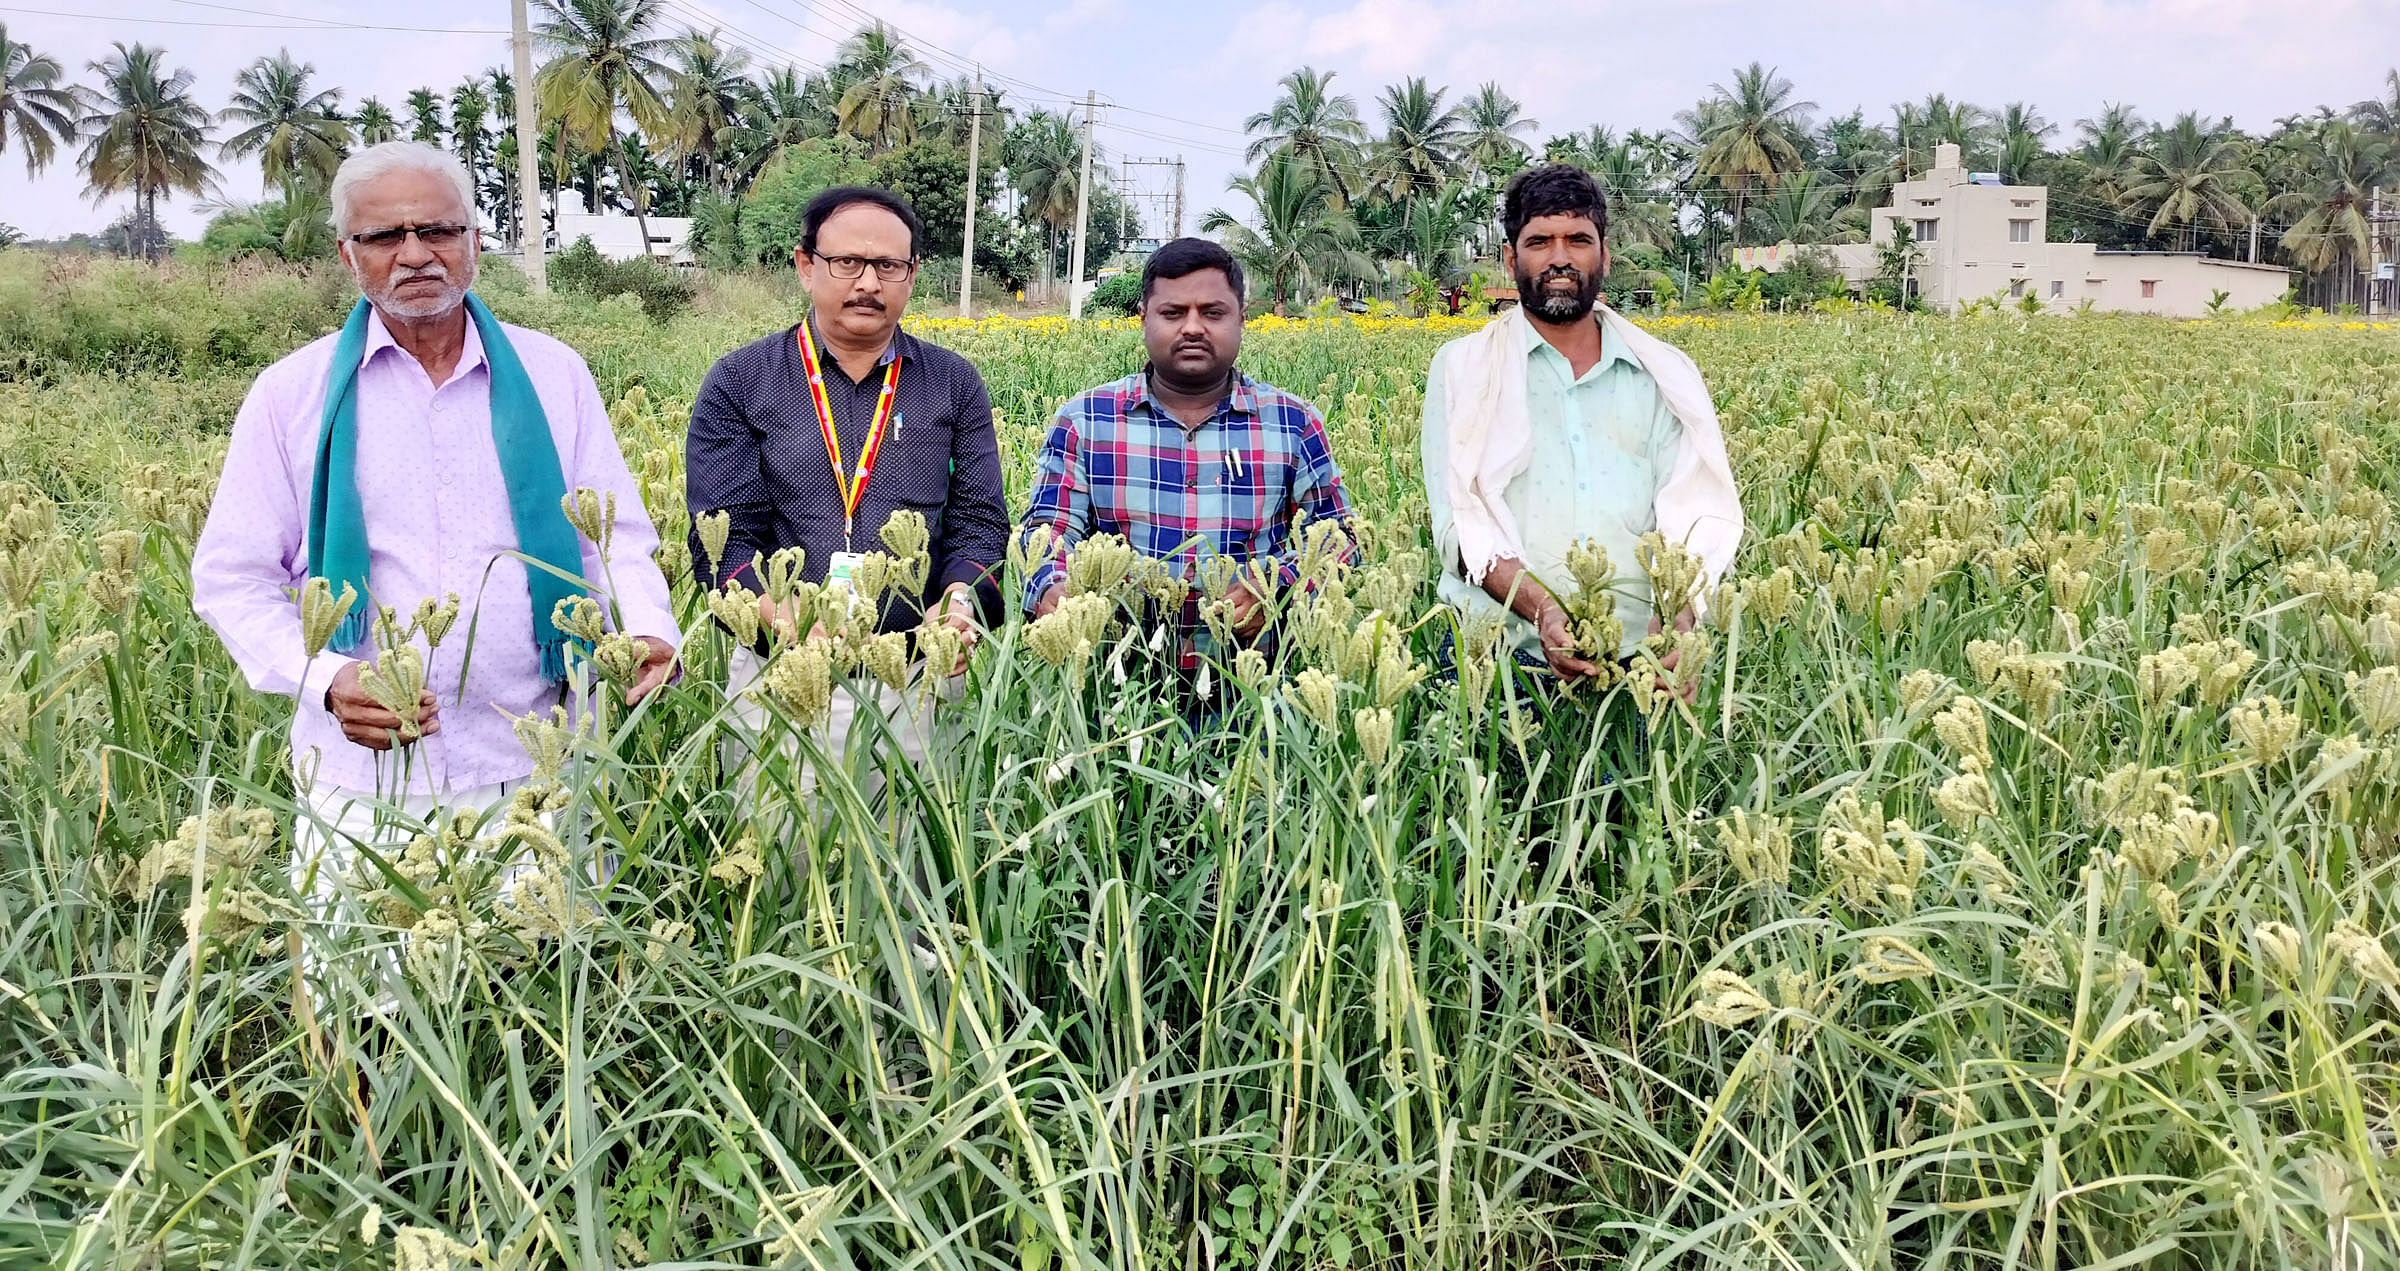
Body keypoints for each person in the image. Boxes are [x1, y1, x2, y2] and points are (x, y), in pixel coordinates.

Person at [191, 141, 680, 983]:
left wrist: (646, 628)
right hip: (364, 780)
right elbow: (232, 577)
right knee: (372, 1015)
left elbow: (615, 537)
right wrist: (326, 678)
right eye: (385, 236)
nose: (415, 254)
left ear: (475, 241)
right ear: (349, 255)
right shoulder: (290, 393)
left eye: (437, 229)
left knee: (541, 1005)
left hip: (534, 765)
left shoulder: (552, 375)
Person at [684, 186, 1007, 780]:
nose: (868, 283)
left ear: (911, 275)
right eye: (847, 263)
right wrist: (771, 611)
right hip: (780, 680)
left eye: (888, 266)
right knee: (781, 857)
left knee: (914, 860)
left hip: (916, 679)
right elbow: (722, 538)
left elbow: (980, 527)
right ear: (807, 266)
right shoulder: (740, 381)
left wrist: (961, 605)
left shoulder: (954, 384)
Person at [1420, 163, 1743, 703]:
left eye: (1578, 239)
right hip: (1502, 662)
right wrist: (1544, 611)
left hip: (1641, 668)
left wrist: (1681, 620)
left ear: (1604, 254)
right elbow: (1460, 527)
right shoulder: (1464, 369)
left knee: (1643, 790)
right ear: (1511, 257)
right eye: (1540, 240)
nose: (1560, 257)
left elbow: (1697, 512)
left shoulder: (1664, 375)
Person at [1022, 237, 1354, 679]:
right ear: (1144, 319)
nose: (1193, 327)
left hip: (1259, 688)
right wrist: (1052, 587)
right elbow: (1049, 531)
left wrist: (1280, 587)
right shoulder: (1085, 422)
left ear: (1241, 319)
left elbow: (1341, 536)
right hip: (1114, 687)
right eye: (1173, 313)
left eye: (1212, 313)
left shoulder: (1292, 424)